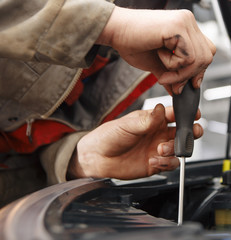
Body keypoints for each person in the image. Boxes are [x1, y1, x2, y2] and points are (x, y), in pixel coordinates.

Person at [0, 0, 216, 206]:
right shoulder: (151, 28)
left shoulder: (171, 33)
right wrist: (109, 26)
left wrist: (78, 158)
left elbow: (23, 154)